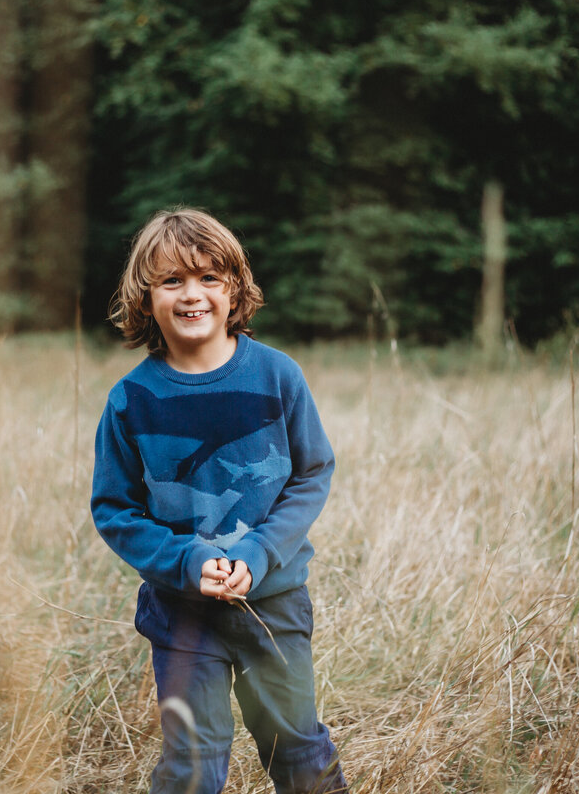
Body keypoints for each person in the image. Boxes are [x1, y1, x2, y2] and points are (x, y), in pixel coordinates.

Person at [91, 207, 348, 793]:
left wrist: (258, 556)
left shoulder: (278, 377)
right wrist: (185, 562)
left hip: (273, 605)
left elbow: (311, 475)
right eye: (172, 280)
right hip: (182, 611)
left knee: (297, 748)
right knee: (192, 763)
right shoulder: (131, 400)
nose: (192, 295)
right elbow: (115, 509)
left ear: (235, 289)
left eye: (209, 278)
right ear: (145, 296)